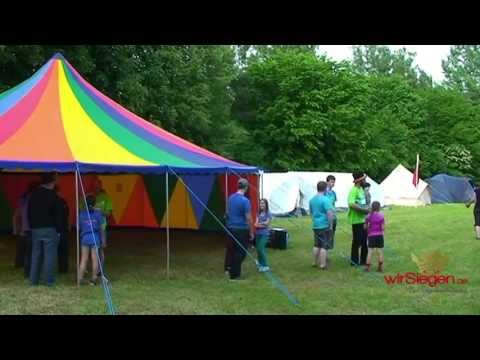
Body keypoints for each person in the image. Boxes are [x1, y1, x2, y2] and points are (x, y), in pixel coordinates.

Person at [28, 173, 62, 286]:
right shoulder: (53, 195)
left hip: (35, 229)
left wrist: (32, 226)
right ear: (52, 182)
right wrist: (58, 230)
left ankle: (33, 280)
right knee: (49, 255)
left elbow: (29, 212)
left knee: (36, 254)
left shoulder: (33, 194)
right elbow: (58, 215)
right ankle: (48, 280)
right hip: (50, 229)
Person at [225, 178, 254, 281]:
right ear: (246, 188)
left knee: (232, 251)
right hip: (241, 229)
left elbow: (227, 213)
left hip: (230, 228)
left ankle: (229, 270)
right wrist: (251, 232)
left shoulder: (230, 198)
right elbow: (249, 218)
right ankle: (235, 275)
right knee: (241, 252)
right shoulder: (245, 201)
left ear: (238, 186)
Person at [78, 195, 105, 286]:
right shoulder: (98, 214)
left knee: (84, 259)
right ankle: (93, 279)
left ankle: (80, 278)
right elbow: (101, 228)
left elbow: (79, 227)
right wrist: (103, 240)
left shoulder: (81, 213)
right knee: (95, 259)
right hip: (95, 237)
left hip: (85, 238)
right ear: (94, 203)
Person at [13, 182, 37, 277]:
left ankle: (20, 265)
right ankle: (28, 270)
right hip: (30, 228)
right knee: (30, 250)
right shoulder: (33, 199)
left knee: (23, 248)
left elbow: (16, 215)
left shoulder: (23, 199)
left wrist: (16, 230)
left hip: (24, 228)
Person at [309, 181, 334, 270]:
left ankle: (314, 262)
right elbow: (329, 213)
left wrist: (315, 221)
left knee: (316, 244)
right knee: (324, 245)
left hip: (316, 225)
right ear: (325, 188)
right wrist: (330, 225)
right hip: (324, 225)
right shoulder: (325, 199)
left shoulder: (312, 200)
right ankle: (323, 264)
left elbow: (311, 213)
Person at [347, 172, 370, 266]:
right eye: (364, 179)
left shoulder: (362, 189)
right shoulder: (354, 190)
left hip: (364, 220)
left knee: (365, 241)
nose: (365, 181)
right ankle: (354, 261)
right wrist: (363, 210)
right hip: (356, 220)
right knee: (357, 241)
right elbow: (351, 204)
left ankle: (364, 261)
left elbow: (364, 202)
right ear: (360, 181)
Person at [93, 179, 113, 274]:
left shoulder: (106, 198)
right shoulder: (89, 197)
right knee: (92, 248)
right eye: (94, 185)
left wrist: (100, 211)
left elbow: (109, 213)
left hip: (102, 227)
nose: (95, 187)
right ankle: (94, 268)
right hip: (91, 227)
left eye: (97, 185)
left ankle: (100, 269)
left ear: (100, 186)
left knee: (101, 248)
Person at [364, 201, 385, 272]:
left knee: (370, 251)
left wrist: (368, 229)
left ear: (372, 207)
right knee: (380, 251)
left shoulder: (368, 216)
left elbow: (365, 226)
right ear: (379, 207)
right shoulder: (381, 215)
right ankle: (380, 267)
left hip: (371, 235)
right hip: (379, 235)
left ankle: (367, 267)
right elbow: (383, 227)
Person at [254, 199, 272, 272]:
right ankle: (260, 265)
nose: (261, 205)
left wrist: (260, 224)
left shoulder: (268, 214)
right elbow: (255, 224)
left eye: (263, 203)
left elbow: (267, 224)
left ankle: (265, 265)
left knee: (261, 248)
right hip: (258, 234)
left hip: (265, 234)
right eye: (260, 203)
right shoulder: (258, 213)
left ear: (266, 205)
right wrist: (262, 224)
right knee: (258, 249)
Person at [55, 186, 70, 273]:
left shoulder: (53, 201)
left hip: (55, 229)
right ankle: (63, 268)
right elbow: (67, 214)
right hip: (63, 229)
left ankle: (60, 268)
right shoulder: (63, 202)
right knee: (63, 250)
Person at [325, 175, 337, 249]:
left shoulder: (333, 193)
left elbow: (333, 204)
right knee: (326, 236)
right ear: (327, 182)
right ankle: (324, 255)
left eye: (334, 182)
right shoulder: (323, 193)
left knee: (331, 236)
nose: (333, 184)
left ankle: (327, 253)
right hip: (326, 217)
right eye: (331, 182)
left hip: (333, 217)